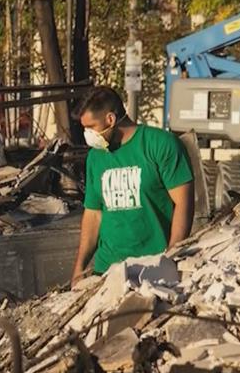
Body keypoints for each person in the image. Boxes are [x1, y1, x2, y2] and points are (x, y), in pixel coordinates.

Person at [71, 86, 194, 285]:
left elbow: (184, 205)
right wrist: (79, 269)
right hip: (107, 271)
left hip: (151, 270)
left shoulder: (161, 144)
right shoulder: (95, 157)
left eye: (91, 127)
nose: (88, 135)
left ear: (110, 119)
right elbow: (93, 214)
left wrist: (171, 258)